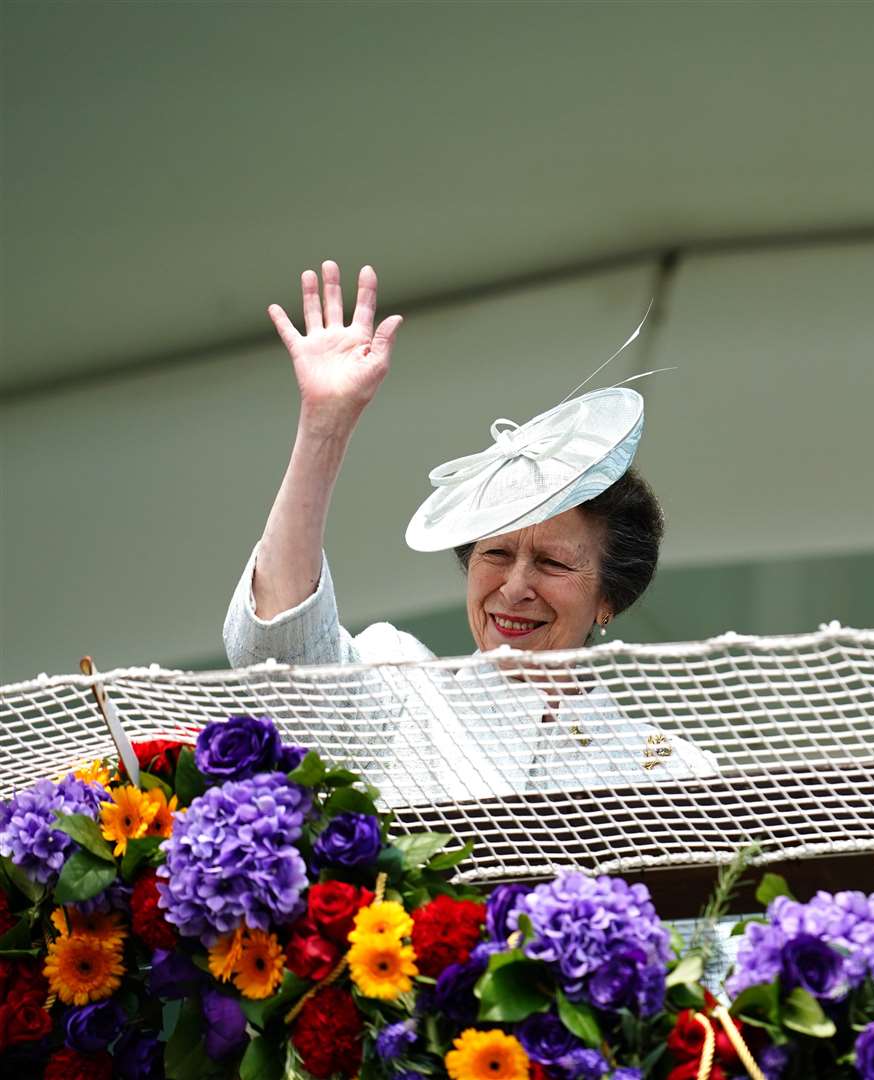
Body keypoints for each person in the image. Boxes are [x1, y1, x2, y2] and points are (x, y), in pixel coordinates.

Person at [223, 261, 714, 802]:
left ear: (609, 598)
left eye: (552, 563)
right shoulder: (404, 695)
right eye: (497, 553)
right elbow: (278, 652)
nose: (515, 586)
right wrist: (324, 428)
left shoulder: (670, 769)